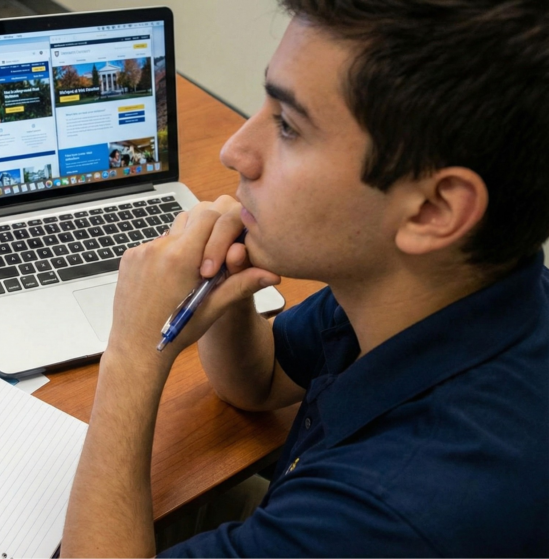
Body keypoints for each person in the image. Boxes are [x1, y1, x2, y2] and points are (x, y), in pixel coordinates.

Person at [62, 1, 549, 557]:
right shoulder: (444, 290)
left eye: (289, 126)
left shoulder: (386, 512)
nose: (235, 151)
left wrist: (131, 349)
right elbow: (262, 380)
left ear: (433, 210)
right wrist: (221, 275)